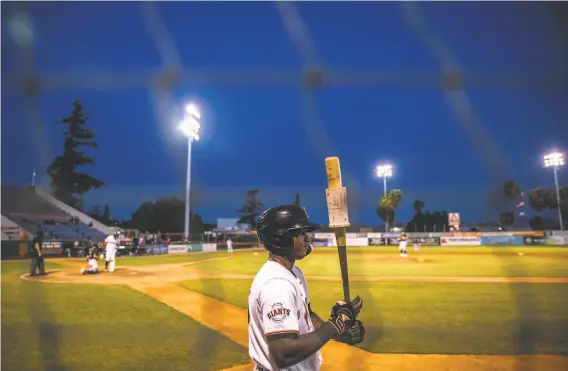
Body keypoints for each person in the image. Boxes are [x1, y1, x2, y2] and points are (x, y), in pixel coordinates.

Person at [249, 205, 365, 371]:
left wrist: (337, 331)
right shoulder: (276, 285)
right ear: (280, 238)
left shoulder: (293, 272)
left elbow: (306, 315)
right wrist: (335, 324)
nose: (307, 240)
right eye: (300, 234)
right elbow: (283, 353)